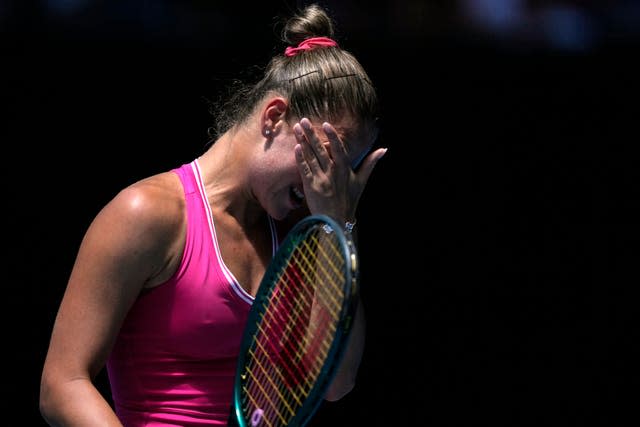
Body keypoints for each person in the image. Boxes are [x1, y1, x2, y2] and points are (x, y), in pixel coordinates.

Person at [39, 3, 387, 426]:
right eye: (322, 158)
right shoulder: (145, 214)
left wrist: (338, 224)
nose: (325, 183)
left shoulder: (300, 233)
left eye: (340, 173)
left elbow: (336, 383)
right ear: (274, 117)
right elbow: (63, 384)